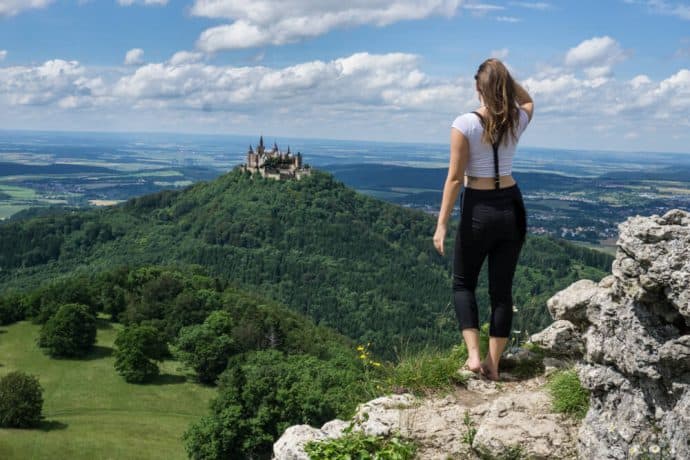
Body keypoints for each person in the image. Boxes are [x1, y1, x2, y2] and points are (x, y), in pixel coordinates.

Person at [432, 58, 533, 381]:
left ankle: (473, 357)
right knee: (501, 291)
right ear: (503, 87)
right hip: (512, 206)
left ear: (478, 89)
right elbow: (528, 100)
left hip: (479, 206)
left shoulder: (464, 124)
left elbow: (453, 178)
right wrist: (504, 77)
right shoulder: (516, 118)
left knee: (464, 283)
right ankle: (494, 363)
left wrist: (442, 224)